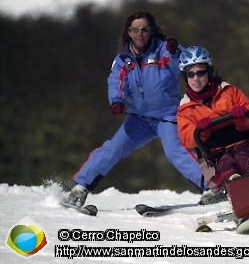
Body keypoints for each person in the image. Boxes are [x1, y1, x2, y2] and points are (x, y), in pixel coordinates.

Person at [62, 11, 205, 208]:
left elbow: (189, 63)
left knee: (176, 151)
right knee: (112, 149)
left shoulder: (163, 49)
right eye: (135, 30)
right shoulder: (123, 59)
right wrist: (116, 100)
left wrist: (175, 52)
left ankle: (211, 187)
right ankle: (80, 188)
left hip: (167, 116)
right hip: (139, 118)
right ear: (128, 32)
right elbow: (115, 81)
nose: (140, 34)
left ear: (152, 31)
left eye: (145, 30)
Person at [176, 45, 249, 233]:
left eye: (201, 73)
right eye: (191, 75)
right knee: (229, 169)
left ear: (209, 72)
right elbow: (186, 136)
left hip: (241, 142)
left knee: (248, 163)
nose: (196, 79)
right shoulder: (186, 107)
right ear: (185, 77)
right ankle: (243, 211)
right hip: (215, 153)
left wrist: (241, 116)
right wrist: (201, 131)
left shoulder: (228, 91)